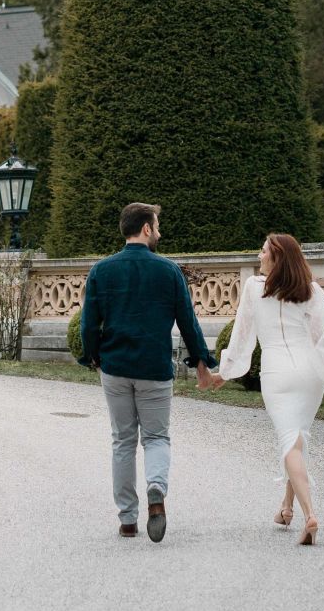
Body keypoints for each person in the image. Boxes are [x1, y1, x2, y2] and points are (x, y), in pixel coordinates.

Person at [74, 202, 218, 543]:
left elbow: (88, 324)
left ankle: (127, 518)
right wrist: (202, 362)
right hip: (154, 368)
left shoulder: (101, 271)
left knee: (123, 440)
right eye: (157, 226)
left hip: (115, 367)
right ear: (147, 228)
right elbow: (188, 322)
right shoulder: (168, 272)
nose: (160, 233)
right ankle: (156, 487)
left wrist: (93, 356)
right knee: (156, 438)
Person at [205, 232, 324, 545]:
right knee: (297, 438)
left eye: (263, 251)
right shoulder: (311, 290)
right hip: (310, 374)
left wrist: (226, 371)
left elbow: (242, 335)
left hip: (277, 373)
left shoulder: (254, 288)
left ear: (277, 257)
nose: (259, 256)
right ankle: (286, 507)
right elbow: (321, 339)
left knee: (290, 442)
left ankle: (310, 514)